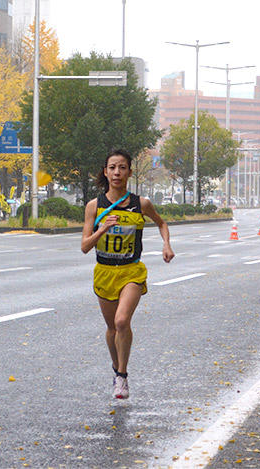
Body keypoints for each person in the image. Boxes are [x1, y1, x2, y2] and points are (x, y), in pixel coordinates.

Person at [81, 149, 174, 399]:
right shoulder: (94, 206)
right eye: (112, 168)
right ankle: (116, 368)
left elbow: (161, 223)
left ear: (129, 172)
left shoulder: (140, 204)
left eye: (122, 168)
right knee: (112, 328)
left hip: (131, 270)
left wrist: (166, 244)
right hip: (104, 272)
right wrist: (102, 229)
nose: (117, 173)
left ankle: (122, 376)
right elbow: (85, 246)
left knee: (122, 321)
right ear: (105, 172)